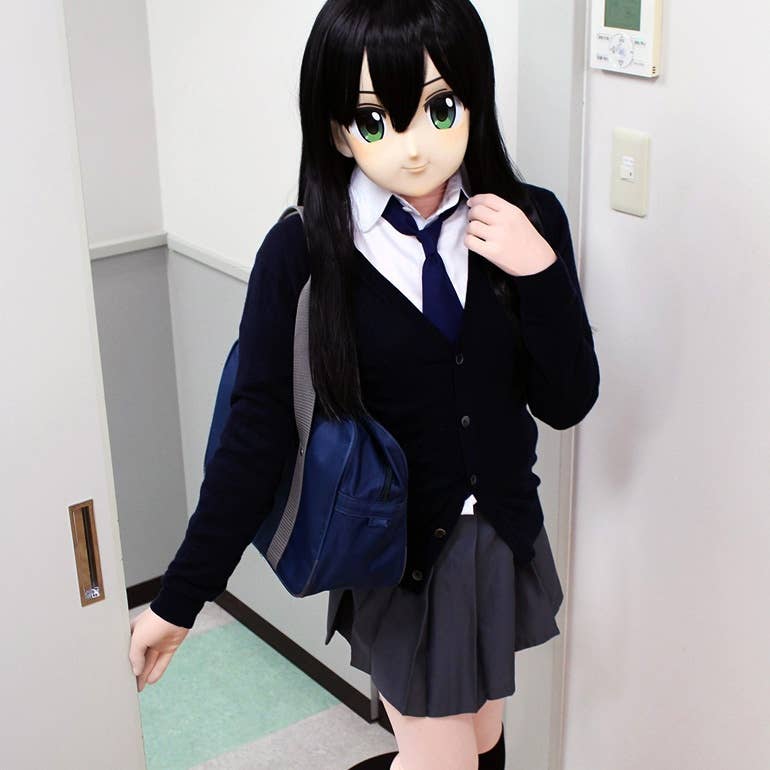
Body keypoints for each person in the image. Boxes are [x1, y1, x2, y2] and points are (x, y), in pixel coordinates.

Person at [129, 2, 600, 769]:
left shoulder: (526, 218)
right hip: (399, 562)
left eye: (440, 109)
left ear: (473, 99)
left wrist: (540, 271)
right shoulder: (303, 250)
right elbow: (256, 436)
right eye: (376, 120)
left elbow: (567, 400)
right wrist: (181, 596)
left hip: (501, 535)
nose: (414, 148)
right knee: (447, 758)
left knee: (483, 743)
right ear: (339, 130)